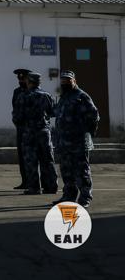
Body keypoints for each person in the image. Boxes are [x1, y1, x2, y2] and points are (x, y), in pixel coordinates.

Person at [53, 71, 100, 207]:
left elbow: (94, 116)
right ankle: (68, 196)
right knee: (66, 171)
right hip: (64, 142)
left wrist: (87, 132)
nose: (65, 83)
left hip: (78, 142)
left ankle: (85, 198)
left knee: (82, 171)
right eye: (63, 81)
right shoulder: (63, 97)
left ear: (74, 81)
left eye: (68, 80)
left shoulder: (81, 96)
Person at [17, 72, 58, 195]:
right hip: (44, 132)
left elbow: (18, 117)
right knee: (47, 160)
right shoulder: (47, 95)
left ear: (29, 82)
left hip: (29, 132)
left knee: (31, 161)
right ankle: (51, 186)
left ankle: (34, 187)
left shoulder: (24, 96)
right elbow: (53, 112)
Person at [11, 68, 31, 190]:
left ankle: (34, 181)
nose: (21, 81)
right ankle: (25, 181)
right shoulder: (17, 92)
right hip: (21, 129)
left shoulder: (33, 91)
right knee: (22, 155)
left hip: (32, 129)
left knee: (32, 156)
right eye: (19, 79)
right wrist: (16, 121)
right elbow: (14, 108)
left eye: (23, 79)